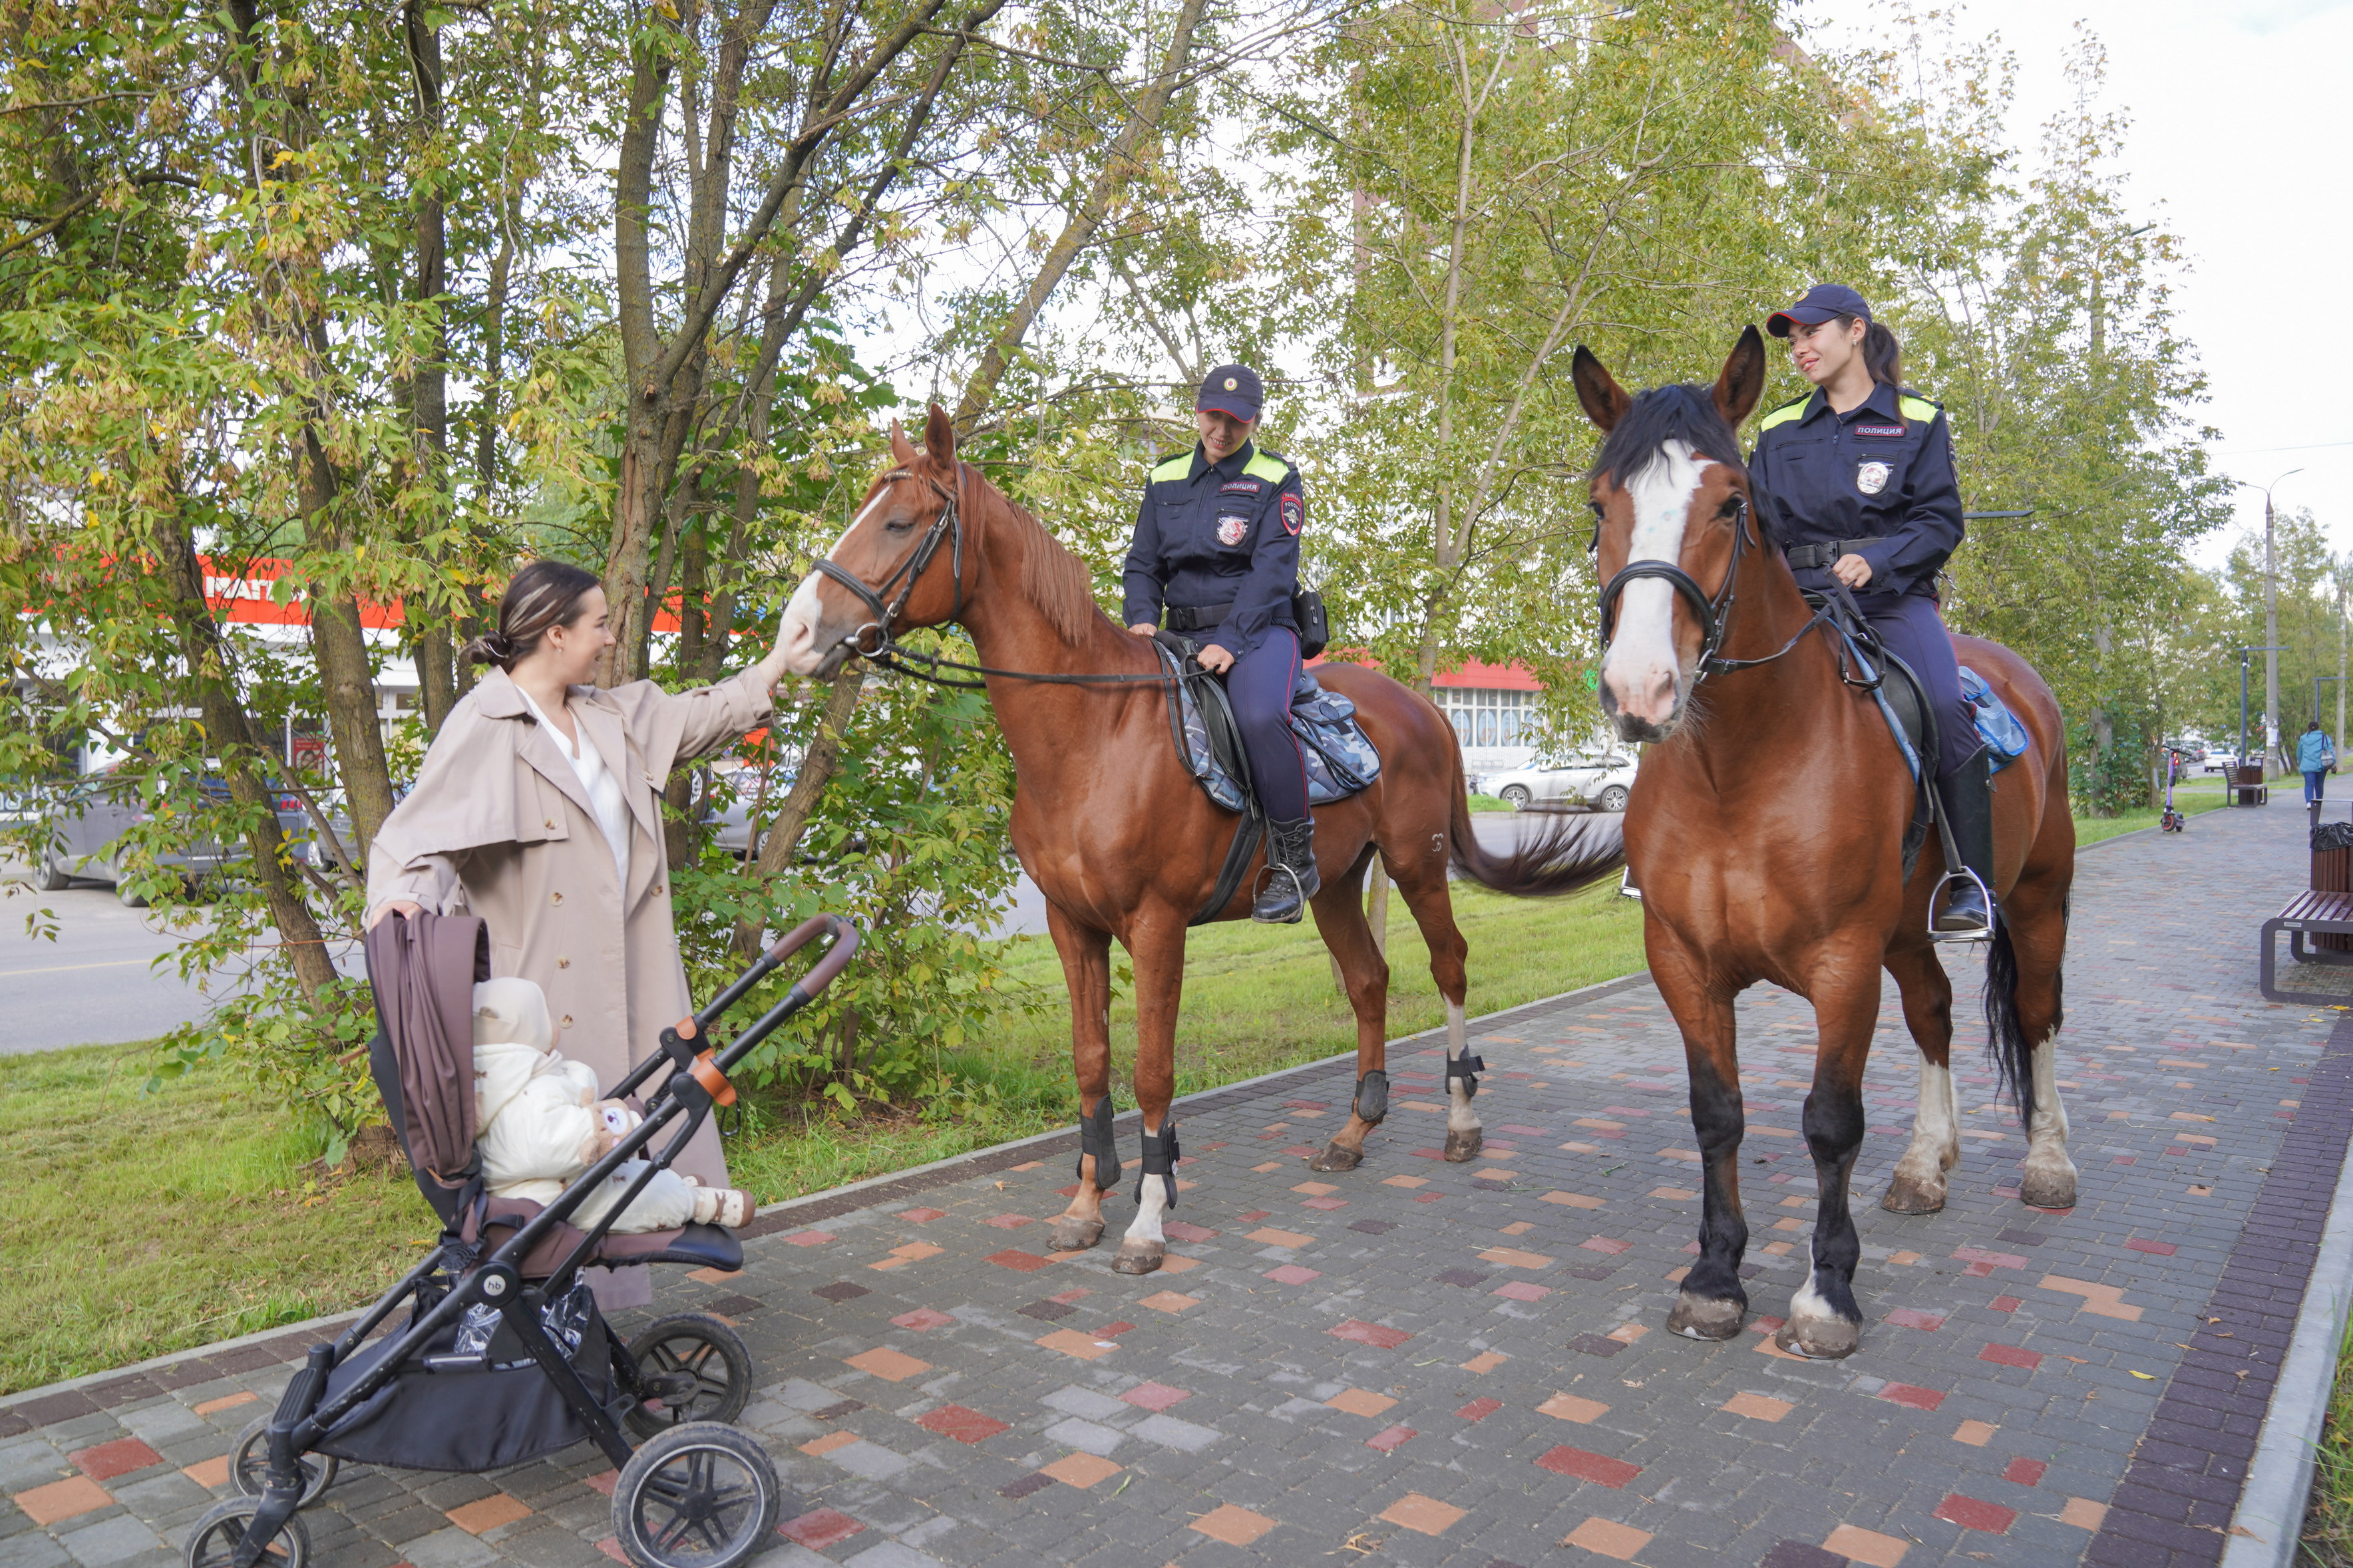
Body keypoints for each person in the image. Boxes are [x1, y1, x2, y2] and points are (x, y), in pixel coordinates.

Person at [367, 559, 791, 1299]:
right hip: (548, 993)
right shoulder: (485, 723)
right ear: (555, 633)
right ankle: (572, 1326)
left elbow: (703, 712)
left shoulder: (607, 714)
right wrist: (401, 905)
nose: (609, 634)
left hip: (630, 969)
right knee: (565, 1166)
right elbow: (421, 840)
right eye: (598, 621)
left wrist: (783, 660)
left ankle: (600, 1323)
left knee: (628, 1143)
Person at [1748, 284, 1992, 939]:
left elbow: (1940, 521)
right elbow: (1754, 526)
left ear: (1855, 330)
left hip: (1889, 602)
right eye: (1791, 338)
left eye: (1809, 332)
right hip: (1796, 607)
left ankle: (1970, 883)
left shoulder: (1916, 418)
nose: (1799, 347)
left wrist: (1877, 560)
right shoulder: (1775, 430)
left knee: (1942, 705)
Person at [1122, 364, 1318, 923]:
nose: (1222, 431)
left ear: (1254, 420)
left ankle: (1293, 861)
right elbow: (1142, 564)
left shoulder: (1276, 477)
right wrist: (1140, 619)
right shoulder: (1163, 480)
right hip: (1177, 634)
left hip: (1259, 632)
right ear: (1197, 411)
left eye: (1236, 421)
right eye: (1213, 416)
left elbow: (1273, 573)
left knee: (1259, 717)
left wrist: (1231, 642)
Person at [2298, 719, 2336, 804]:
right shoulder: (2325, 738)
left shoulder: (2303, 738)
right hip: (2322, 765)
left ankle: (2309, 802)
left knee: (2309, 784)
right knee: (2319, 784)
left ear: (2308, 729)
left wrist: (2301, 763)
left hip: (2307, 766)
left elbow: (2299, 753)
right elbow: (2331, 751)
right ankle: (2319, 802)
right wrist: (2334, 763)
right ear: (2318, 728)